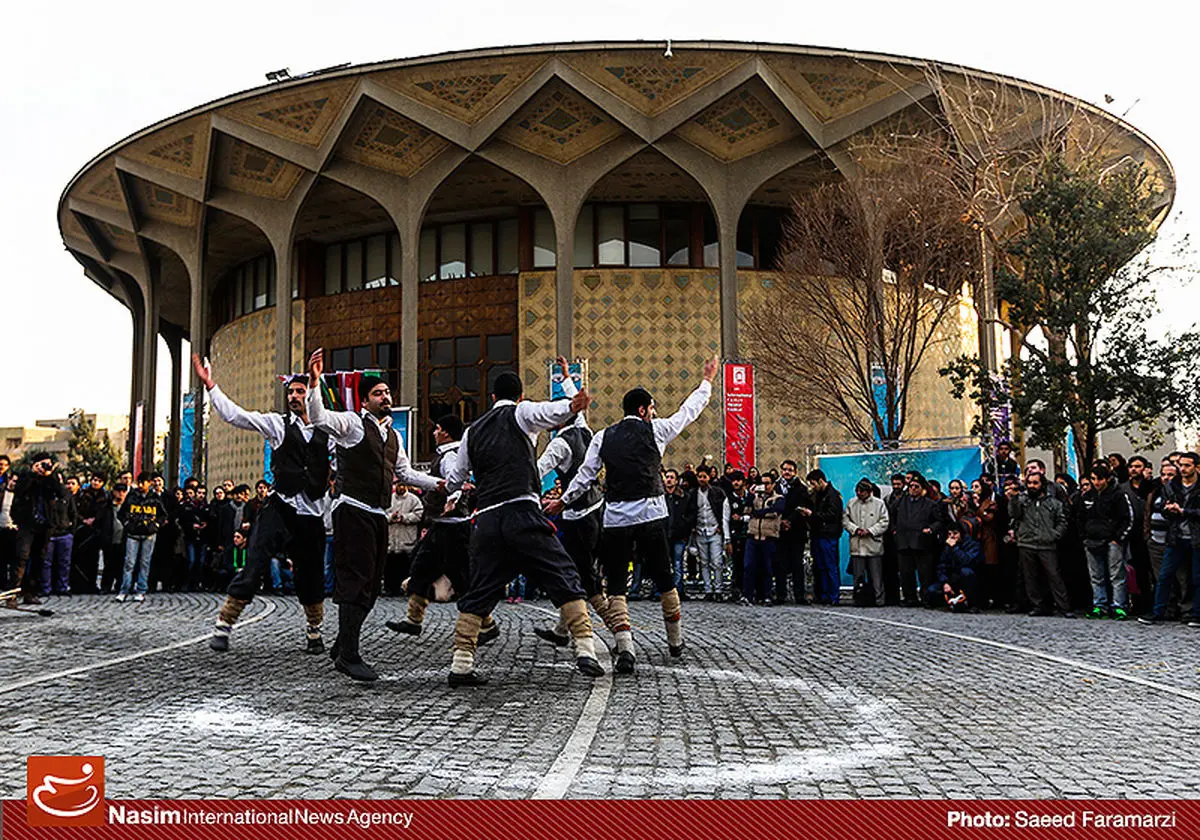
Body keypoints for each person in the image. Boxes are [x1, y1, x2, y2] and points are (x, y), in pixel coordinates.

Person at [555, 356, 719, 674]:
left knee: (616, 585)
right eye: (652, 408)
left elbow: (585, 475)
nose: (654, 413)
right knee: (665, 579)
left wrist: (563, 500)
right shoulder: (656, 430)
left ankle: (626, 648)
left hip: (616, 518)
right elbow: (688, 412)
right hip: (652, 514)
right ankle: (675, 641)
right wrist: (707, 381)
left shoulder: (603, 436)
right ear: (643, 410)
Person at [445, 370, 603, 686]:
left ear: (492, 397)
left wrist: (447, 488)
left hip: (486, 520)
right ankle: (586, 649)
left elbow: (455, 479)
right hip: (522, 512)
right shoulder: (521, 412)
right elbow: (547, 411)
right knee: (564, 573)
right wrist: (572, 406)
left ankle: (461, 664)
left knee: (481, 588)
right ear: (518, 396)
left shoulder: (472, 432)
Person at [306, 349, 443, 681]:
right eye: (378, 393)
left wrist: (440, 483)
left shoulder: (393, 435)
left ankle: (343, 643)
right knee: (355, 580)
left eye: (387, 392)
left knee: (371, 585)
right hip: (352, 509)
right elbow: (319, 418)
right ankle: (349, 655)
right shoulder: (352, 424)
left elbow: (406, 474)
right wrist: (314, 383)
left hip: (378, 514)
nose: (386, 397)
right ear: (365, 401)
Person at [196, 352, 336, 655]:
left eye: (300, 391)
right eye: (291, 392)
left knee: (311, 576)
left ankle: (314, 630)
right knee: (256, 561)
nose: (294, 396)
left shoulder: (329, 432)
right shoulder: (278, 424)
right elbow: (237, 416)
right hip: (280, 508)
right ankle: (224, 624)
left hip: (312, 514)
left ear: (313, 394)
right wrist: (211, 386)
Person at [387, 414, 498, 642]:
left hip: (452, 527)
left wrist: (452, 500)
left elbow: (454, 481)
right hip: (445, 525)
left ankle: (486, 623)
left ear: (446, 433)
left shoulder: (449, 456)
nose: (434, 433)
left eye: (437, 428)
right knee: (423, 567)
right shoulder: (449, 454)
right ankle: (414, 619)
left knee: (458, 576)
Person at [533, 356, 613, 644]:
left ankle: (619, 631)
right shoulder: (584, 429)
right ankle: (561, 630)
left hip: (577, 516)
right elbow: (574, 403)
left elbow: (537, 471)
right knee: (575, 571)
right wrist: (567, 376)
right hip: (598, 509)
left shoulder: (559, 444)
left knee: (583, 576)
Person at [1139, 452, 1200, 627]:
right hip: (1176, 537)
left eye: (1187, 465)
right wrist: (1169, 510)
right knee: (1164, 575)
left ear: (1197, 467)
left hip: (1196, 537)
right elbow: (1162, 507)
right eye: (1181, 465)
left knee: (1196, 577)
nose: (1183, 469)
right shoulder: (1172, 486)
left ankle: (1196, 614)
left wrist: (1184, 511)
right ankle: (1158, 611)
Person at [1008, 472, 1073, 617]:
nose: (1032, 486)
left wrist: (1055, 535)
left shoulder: (1053, 502)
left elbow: (1062, 521)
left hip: (1047, 543)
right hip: (1027, 542)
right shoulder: (1023, 500)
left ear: (1042, 484)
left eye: (1035, 483)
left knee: (1054, 576)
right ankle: (1038, 605)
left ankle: (1064, 607)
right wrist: (1013, 498)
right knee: (1030, 578)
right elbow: (1014, 514)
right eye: (1030, 483)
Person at [1077, 463, 1133, 620]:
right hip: (1091, 540)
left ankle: (1119, 606)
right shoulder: (1087, 496)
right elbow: (1080, 518)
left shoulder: (1118, 495)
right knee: (1096, 576)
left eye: (1100, 479)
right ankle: (1100, 605)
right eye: (1093, 479)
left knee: (1117, 576)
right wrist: (1084, 537)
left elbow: (1127, 518)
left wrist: (1118, 538)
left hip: (1112, 541)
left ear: (1107, 479)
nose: (1096, 482)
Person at [11, 453, 64, 605]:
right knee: (21, 557)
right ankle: (13, 593)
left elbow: (61, 493)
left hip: (45, 524)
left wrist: (50, 475)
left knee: (39, 559)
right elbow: (20, 490)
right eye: (42, 464)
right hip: (27, 524)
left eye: (48, 464)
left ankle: (30, 592)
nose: (44, 467)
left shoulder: (51, 479)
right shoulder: (25, 476)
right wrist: (33, 474)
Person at [891, 473, 942, 606]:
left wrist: (930, 529)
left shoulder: (930, 504)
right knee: (906, 573)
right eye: (911, 486)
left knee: (925, 574)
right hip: (904, 541)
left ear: (922, 488)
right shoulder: (899, 503)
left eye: (916, 486)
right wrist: (894, 530)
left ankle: (926, 598)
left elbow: (938, 521)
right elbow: (892, 518)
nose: (913, 489)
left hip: (922, 542)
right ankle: (910, 598)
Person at [116, 472, 167, 602]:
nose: (140, 485)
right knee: (129, 562)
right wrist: (127, 524)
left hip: (148, 535)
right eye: (139, 482)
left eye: (143, 483)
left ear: (149, 483)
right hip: (133, 534)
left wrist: (155, 525)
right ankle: (124, 590)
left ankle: (141, 590)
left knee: (145, 563)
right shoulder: (132, 496)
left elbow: (163, 515)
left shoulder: (155, 498)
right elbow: (121, 513)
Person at [799, 469, 843, 605]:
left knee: (830, 566)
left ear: (820, 481)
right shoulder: (816, 495)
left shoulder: (833, 496)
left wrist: (812, 514)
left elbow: (832, 515)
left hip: (828, 535)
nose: (812, 487)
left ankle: (833, 596)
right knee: (820, 566)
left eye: (813, 484)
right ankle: (823, 595)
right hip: (817, 534)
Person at [843, 477, 889, 607]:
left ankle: (879, 599)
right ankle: (858, 598)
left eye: (862, 492)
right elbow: (845, 520)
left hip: (873, 545)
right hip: (857, 545)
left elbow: (884, 522)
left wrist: (870, 531)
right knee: (858, 575)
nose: (859, 494)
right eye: (857, 491)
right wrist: (855, 529)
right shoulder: (851, 503)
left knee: (876, 576)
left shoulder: (879, 504)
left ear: (869, 492)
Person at [741, 474, 784, 605]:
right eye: (762, 483)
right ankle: (747, 595)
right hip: (753, 535)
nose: (765, 486)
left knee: (767, 568)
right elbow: (747, 510)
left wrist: (758, 513)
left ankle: (767, 595)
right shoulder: (755, 498)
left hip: (768, 537)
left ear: (773, 484)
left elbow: (775, 511)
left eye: (767, 483)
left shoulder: (778, 498)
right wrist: (750, 496)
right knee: (749, 566)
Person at [691, 465, 731, 601]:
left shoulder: (718, 492)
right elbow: (690, 511)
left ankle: (718, 589)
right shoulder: (693, 494)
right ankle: (708, 589)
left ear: (709, 477)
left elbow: (723, 510)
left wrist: (721, 526)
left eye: (704, 477)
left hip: (715, 531)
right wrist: (692, 527)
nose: (702, 479)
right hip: (700, 531)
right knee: (703, 562)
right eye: (700, 477)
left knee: (717, 561)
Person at [776, 460, 811, 605]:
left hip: (796, 531)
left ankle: (799, 595)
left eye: (790, 470)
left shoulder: (801, 488)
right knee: (780, 564)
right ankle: (781, 595)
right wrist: (781, 522)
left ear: (795, 472)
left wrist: (789, 521)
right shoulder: (776, 487)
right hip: (779, 532)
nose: (787, 472)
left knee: (797, 565)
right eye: (784, 469)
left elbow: (802, 507)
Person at [384, 483, 423, 595]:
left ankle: (404, 588)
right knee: (389, 565)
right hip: (392, 539)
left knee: (404, 565)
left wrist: (404, 518)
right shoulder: (389, 498)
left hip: (406, 538)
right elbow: (382, 514)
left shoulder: (414, 499)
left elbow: (419, 514)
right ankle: (389, 588)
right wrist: (390, 517)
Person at [934, 523, 982, 611]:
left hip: (968, 578)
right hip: (952, 577)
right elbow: (941, 565)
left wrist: (954, 548)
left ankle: (972, 603)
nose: (952, 536)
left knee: (966, 572)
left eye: (955, 533)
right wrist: (945, 582)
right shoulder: (947, 546)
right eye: (949, 534)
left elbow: (966, 561)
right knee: (932, 592)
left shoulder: (973, 545)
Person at [94, 483, 128, 594]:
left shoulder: (128, 506)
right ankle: (106, 586)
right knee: (108, 565)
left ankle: (120, 586)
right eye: (118, 491)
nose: (121, 494)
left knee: (122, 565)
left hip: (124, 539)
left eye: (123, 491)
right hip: (109, 539)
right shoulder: (106, 507)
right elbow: (99, 522)